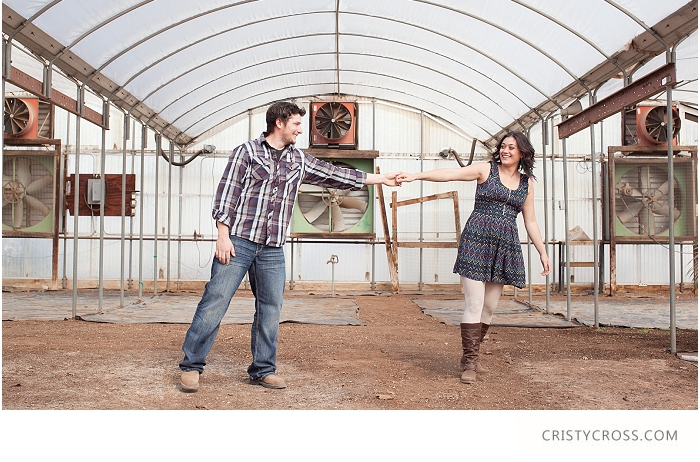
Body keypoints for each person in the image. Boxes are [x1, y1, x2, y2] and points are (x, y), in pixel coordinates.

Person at [179, 101, 398, 392]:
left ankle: (262, 370)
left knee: (270, 308)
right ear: (279, 123)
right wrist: (223, 234)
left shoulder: (300, 159)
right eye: (296, 124)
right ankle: (192, 366)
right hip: (239, 242)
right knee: (215, 301)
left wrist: (380, 178)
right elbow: (227, 194)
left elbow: (337, 175)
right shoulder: (247, 152)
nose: (299, 130)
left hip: (272, 248)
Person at [397, 131, 550, 384]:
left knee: (489, 306)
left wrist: (543, 252)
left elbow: (530, 220)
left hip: (504, 244)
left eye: (511, 147)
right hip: (476, 240)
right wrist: (415, 176)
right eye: (503, 147)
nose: (505, 151)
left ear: (522, 152)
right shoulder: (485, 170)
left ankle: (473, 355)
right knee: (474, 303)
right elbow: (449, 174)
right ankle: (470, 362)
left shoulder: (527, 183)